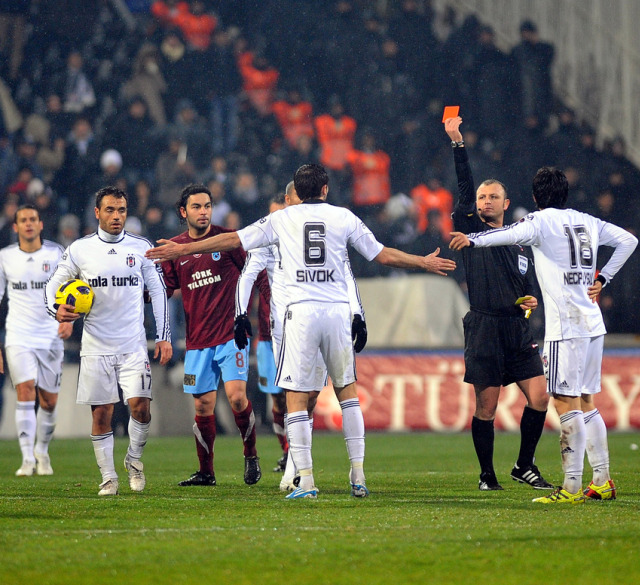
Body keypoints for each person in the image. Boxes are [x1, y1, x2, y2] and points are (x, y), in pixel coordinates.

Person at [146, 163, 456, 499]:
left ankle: (305, 481)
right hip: (337, 313)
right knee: (347, 394)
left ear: (296, 192)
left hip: (300, 315)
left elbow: (232, 239)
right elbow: (381, 255)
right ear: (325, 190)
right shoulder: (344, 217)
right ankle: (359, 475)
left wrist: (182, 249)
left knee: (295, 397)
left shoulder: (280, 219)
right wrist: (423, 262)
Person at [450, 165, 638, 504]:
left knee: (565, 401)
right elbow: (629, 240)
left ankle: (570, 487)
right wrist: (604, 278)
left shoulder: (539, 222)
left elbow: (503, 235)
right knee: (586, 401)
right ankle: (602, 479)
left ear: (536, 197)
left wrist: (472, 239)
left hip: (566, 326)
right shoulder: (588, 221)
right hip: (593, 324)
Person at [235, 182, 366, 491]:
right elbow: (248, 276)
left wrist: (356, 312)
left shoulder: (314, 234)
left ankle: (296, 471)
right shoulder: (271, 236)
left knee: (306, 399)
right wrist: (240, 313)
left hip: (309, 322)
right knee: (288, 399)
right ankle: (300, 468)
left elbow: (345, 273)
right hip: (279, 330)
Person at [444, 117, 552, 492]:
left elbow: (526, 293)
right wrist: (458, 143)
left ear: (506, 204)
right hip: (485, 327)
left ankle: (524, 465)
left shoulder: (521, 244)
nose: (485, 201)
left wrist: (529, 304)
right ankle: (487, 475)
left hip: (516, 328)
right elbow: (462, 186)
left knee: (540, 397)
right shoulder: (472, 232)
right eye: (481, 197)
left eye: (492, 197)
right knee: (486, 408)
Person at [45, 186, 172, 496]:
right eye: (111, 211)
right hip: (96, 346)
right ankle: (108, 478)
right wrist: (55, 309)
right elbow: (53, 285)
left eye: (122, 211)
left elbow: (158, 291)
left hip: (133, 344)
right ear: (97, 213)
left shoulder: (141, 247)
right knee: (101, 413)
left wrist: (164, 336)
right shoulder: (80, 249)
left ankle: (134, 460)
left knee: (140, 408)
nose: (117, 216)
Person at [160, 183, 267, 487]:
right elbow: (165, 290)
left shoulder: (228, 239)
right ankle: (206, 472)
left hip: (230, 336)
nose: (203, 212)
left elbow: (256, 274)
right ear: (183, 212)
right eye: (196, 206)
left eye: (207, 206)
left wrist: (252, 314)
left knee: (236, 398)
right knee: (202, 407)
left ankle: (250, 454)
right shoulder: (174, 251)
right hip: (197, 344)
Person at [0, 204, 72, 476]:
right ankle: (27, 458)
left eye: (33, 219)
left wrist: (67, 321)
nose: (28, 224)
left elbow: (72, 291)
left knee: (49, 402)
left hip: (50, 335)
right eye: (23, 220)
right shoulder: (5, 257)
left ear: (41, 225)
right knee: (25, 391)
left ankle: (42, 450)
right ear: (15, 227)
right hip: (18, 335)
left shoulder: (56, 254)